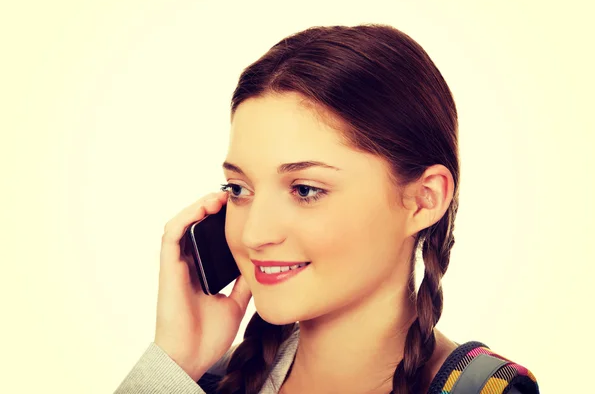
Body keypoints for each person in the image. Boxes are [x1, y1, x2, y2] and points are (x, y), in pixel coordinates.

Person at [115, 24, 539, 394]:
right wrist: (173, 365)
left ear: (423, 199)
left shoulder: (480, 388)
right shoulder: (206, 381)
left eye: (305, 189)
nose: (252, 234)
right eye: (239, 188)